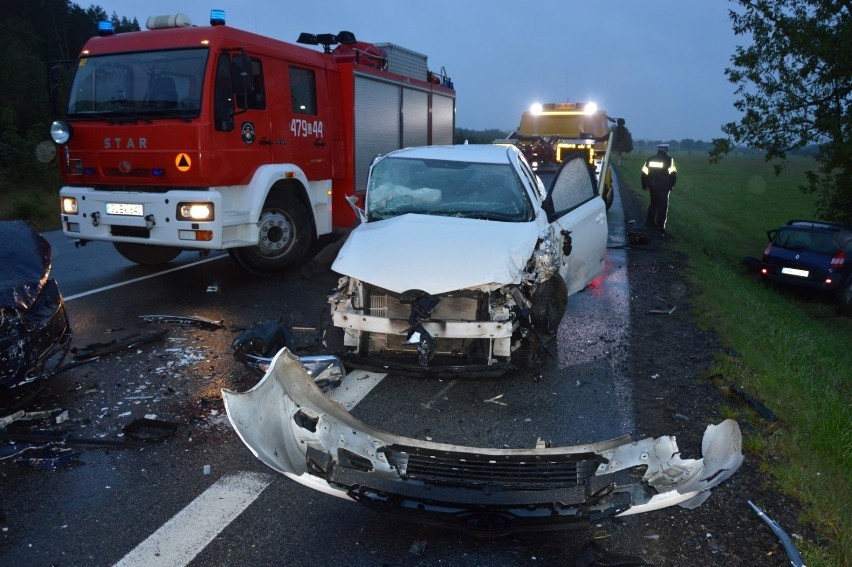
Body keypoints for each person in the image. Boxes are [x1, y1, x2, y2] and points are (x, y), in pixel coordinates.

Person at [641, 144, 677, 235]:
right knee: (662, 206)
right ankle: (660, 227)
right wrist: (671, 185)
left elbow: (644, 173)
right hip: (663, 187)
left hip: (652, 186)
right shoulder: (669, 160)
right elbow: (673, 175)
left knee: (653, 204)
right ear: (666, 150)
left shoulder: (650, 159)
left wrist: (644, 184)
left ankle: (649, 223)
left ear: (658, 150)